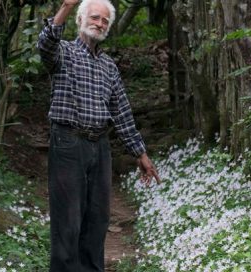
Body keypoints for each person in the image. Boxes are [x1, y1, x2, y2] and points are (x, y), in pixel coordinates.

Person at [37, 0, 160, 271]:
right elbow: (45, 44)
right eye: (95, 17)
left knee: (97, 219)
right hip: (68, 142)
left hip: (99, 146)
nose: (100, 23)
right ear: (81, 20)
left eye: (105, 21)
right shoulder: (64, 52)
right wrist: (66, 7)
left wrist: (140, 154)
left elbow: (123, 112)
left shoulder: (108, 66)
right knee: (68, 220)